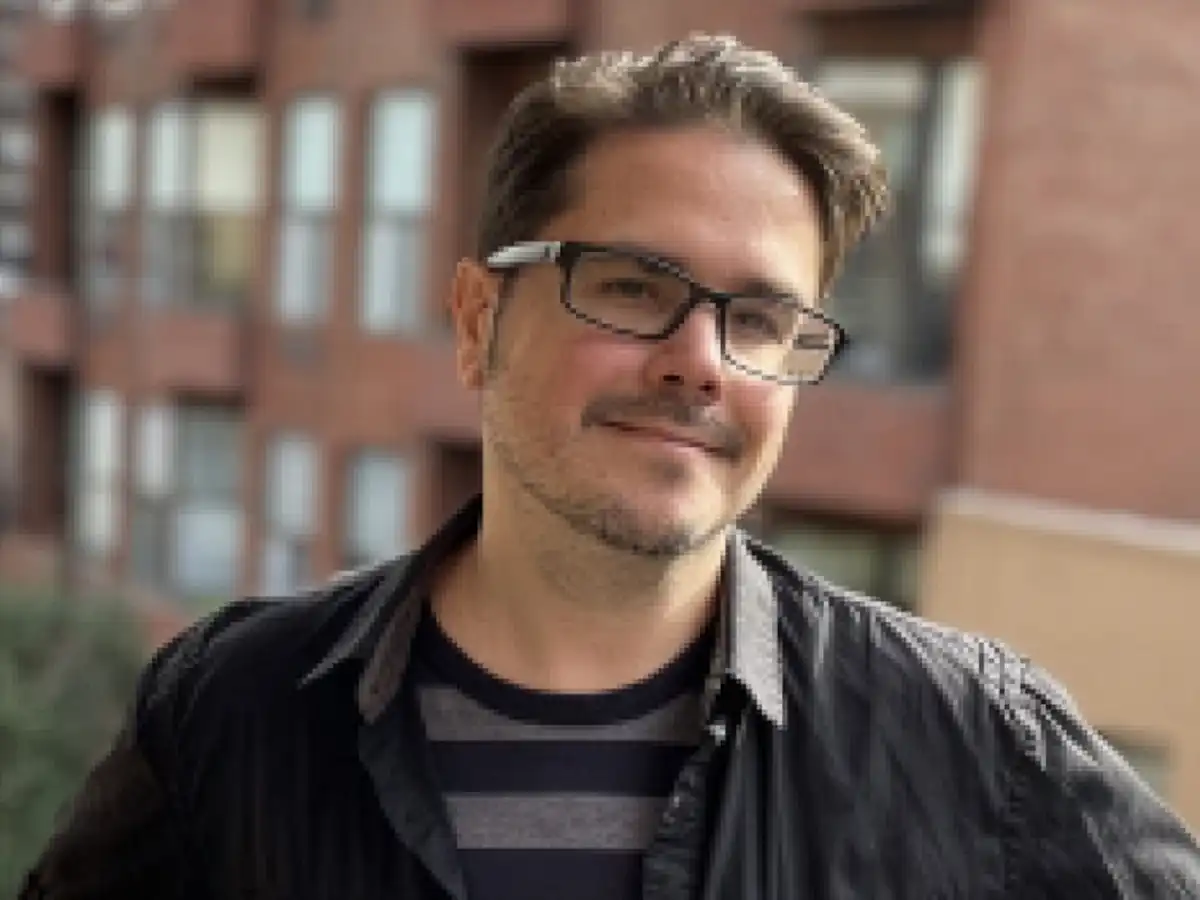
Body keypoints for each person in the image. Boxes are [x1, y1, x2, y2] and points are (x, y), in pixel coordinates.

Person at [21, 34, 1200, 900]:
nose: (699, 363)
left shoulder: (971, 744)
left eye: (757, 320)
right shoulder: (233, 712)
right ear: (479, 320)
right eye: (634, 288)